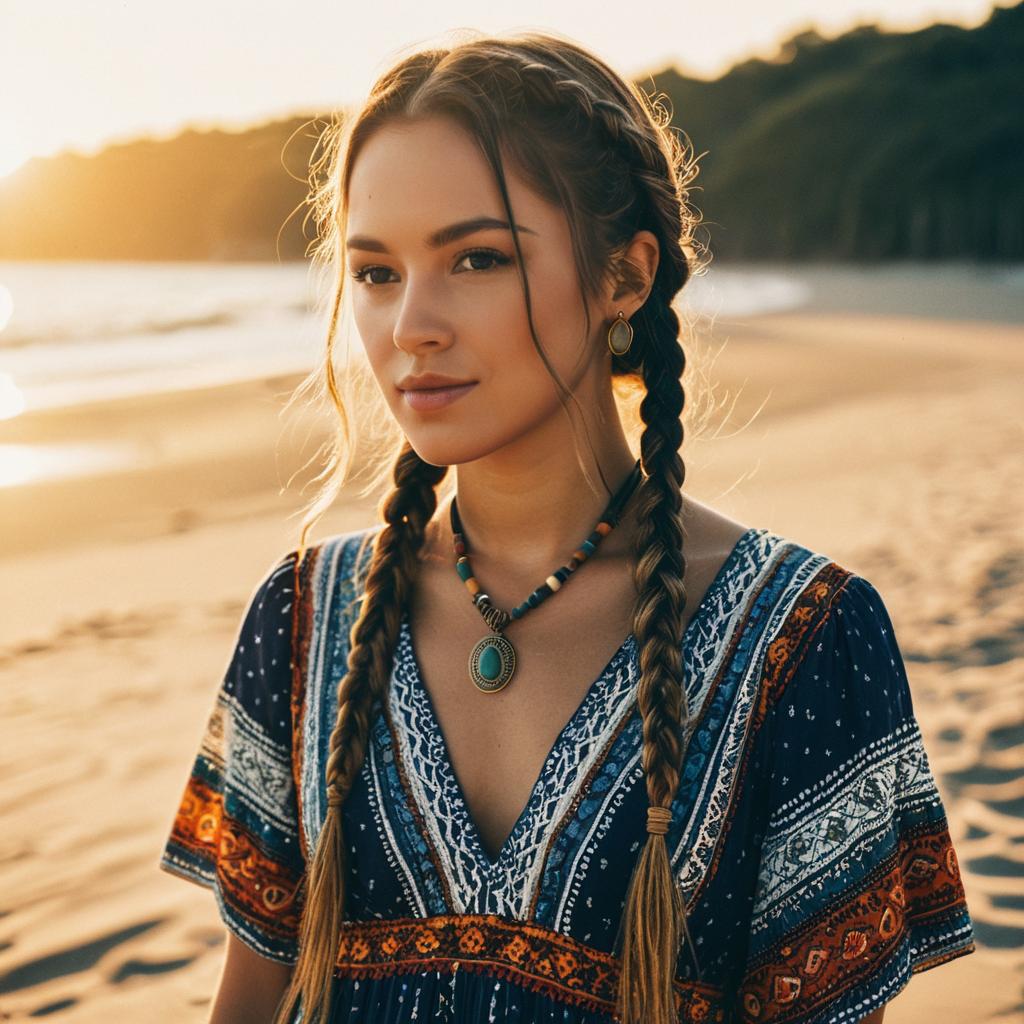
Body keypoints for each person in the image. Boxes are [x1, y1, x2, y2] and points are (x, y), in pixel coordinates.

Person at [157, 30, 976, 1024]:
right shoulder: (302, 620)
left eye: (476, 257)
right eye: (375, 272)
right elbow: (246, 1001)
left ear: (623, 278)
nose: (413, 322)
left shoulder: (802, 641)